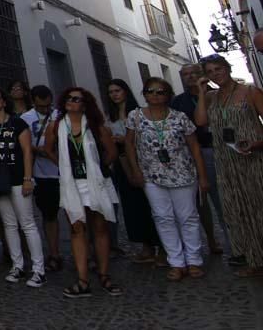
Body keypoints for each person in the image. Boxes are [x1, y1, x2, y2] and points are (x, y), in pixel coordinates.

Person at [125, 77, 208, 281]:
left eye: (160, 92)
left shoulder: (179, 117)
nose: (154, 95)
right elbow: (129, 145)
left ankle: (194, 260)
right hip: (152, 176)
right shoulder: (135, 116)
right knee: (163, 218)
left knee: (187, 217)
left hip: (182, 173)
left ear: (167, 95)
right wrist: (135, 170)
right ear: (144, 94)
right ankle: (176, 262)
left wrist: (203, 175)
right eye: (150, 91)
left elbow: (194, 146)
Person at [44, 87, 122, 299]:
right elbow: (48, 149)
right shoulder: (56, 126)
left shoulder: (97, 128)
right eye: (68, 98)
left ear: (85, 103)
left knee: (100, 227)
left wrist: (98, 169)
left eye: (76, 99)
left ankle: (104, 275)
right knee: (77, 228)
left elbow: (112, 152)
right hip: (72, 183)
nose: (71, 101)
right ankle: (83, 279)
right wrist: (63, 166)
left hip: (96, 182)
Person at [194, 54, 263, 278]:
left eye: (219, 69)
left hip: (252, 157)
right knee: (239, 211)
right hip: (225, 161)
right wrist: (202, 94)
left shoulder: (249, 92)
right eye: (210, 72)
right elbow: (201, 122)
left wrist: (256, 143)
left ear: (228, 67)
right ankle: (254, 260)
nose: (216, 74)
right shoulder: (212, 97)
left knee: (258, 207)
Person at [0, 87, 45, 287]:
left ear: (4, 100)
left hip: (18, 178)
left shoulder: (17, 122)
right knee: (9, 224)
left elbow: (27, 151)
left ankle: (38, 269)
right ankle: (17, 265)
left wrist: (28, 178)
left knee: (27, 223)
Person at [172, 63, 230, 257]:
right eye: (186, 74)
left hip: (219, 149)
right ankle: (212, 241)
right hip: (191, 154)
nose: (190, 77)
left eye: (194, 73)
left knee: (223, 199)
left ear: (202, 75)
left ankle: (234, 243)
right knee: (201, 203)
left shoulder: (217, 95)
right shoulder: (178, 102)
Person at [107, 79, 161, 266]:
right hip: (121, 165)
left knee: (150, 204)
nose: (114, 94)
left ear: (125, 92)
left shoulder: (137, 113)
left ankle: (160, 245)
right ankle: (146, 246)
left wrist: (125, 139)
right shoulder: (111, 116)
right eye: (111, 91)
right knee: (132, 206)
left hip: (141, 162)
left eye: (117, 90)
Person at [20, 85, 63, 272]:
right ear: (33, 102)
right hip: (42, 173)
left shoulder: (60, 116)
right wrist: (38, 150)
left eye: (48, 106)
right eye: (41, 107)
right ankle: (53, 253)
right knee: (49, 215)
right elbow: (24, 146)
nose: (45, 110)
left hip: (63, 171)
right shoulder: (26, 119)